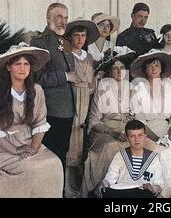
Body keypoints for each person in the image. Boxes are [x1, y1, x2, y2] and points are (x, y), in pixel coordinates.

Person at [0, 43, 63, 197]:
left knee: (54, 163)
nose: (22, 68)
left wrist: (33, 147)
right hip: (1, 146)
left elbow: (40, 123)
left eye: (26, 64)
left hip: (27, 141)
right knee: (31, 167)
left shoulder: (36, 90)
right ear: (8, 67)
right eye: (18, 64)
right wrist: (15, 150)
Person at [80, 46, 137, 197]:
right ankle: (104, 190)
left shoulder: (132, 88)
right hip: (105, 129)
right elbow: (93, 120)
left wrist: (129, 131)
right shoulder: (102, 87)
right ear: (109, 71)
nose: (119, 72)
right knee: (111, 146)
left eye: (122, 68)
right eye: (115, 68)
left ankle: (128, 190)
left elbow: (136, 116)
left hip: (128, 130)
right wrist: (113, 132)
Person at [129, 49, 171, 197]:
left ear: (162, 69)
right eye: (150, 66)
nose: (153, 68)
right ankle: (155, 192)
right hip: (146, 130)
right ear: (145, 69)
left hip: (167, 128)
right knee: (158, 152)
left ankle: (170, 193)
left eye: (156, 65)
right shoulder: (137, 90)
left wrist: (170, 136)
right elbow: (139, 120)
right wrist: (156, 139)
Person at [30, 3, 75, 171]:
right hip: (50, 110)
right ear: (49, 18)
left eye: (66, 17)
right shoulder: (40, 42)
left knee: (61, 155)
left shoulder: (66, 41)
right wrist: (65, 76)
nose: (63, 21)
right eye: (59, 17)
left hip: (68, 109)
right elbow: (36, 76)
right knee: (49, 157)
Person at [63, 19, 99, 198]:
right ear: (70, 37)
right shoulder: (67, 55)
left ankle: (80, 188)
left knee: (82, 144)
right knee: (71, 144)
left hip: (86, 100)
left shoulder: (89, 57)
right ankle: (68, 190)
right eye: (76, 35)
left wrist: (93, 82)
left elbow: (91, 84)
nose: (80, 39)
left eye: (83, 35)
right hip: (72, 98)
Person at [94, 120, 164, 198]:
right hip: (121, 193)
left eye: (140, 135)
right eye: (132, 136)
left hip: (143, 193)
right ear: (127, 137)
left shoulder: (154, 157)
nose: (137, 140)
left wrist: (153, 188)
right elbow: (110, 179)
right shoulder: (120, 155)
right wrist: (103, 183)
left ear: (145, 136)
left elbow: (159, 184)